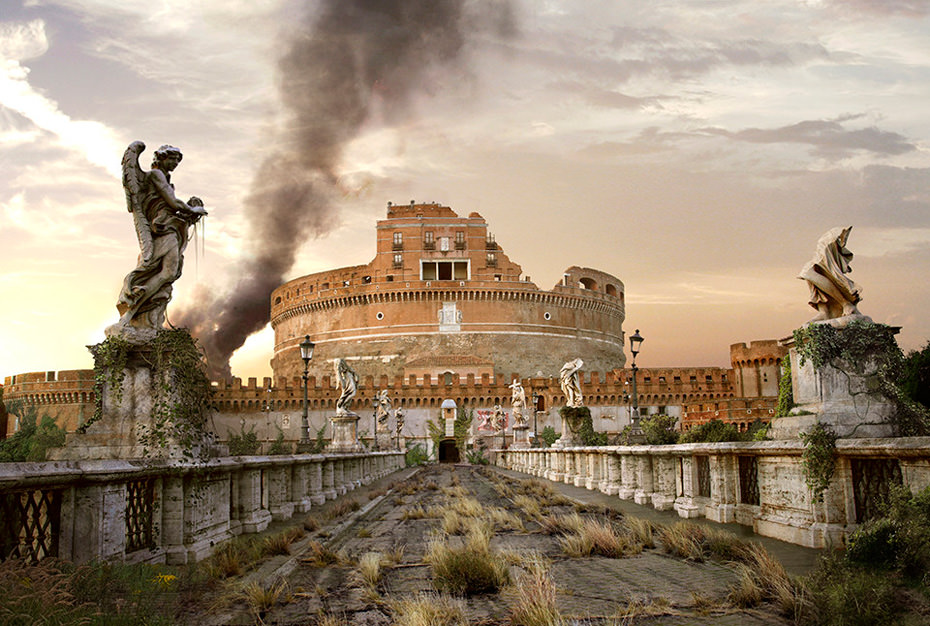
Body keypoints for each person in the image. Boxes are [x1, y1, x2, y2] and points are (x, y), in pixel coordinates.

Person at [114, 142, 207, 332]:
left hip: (169, 228)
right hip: (163, 230)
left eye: (177, 161)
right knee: (167, 273)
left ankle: (149, 320)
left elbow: (171, 207)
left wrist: (188, 214)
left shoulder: (164, 178)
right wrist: (193, 209)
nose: (175, 164)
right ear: (162, 158)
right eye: (172, 159)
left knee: (167, 275)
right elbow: (172, 202)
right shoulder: (155, 175)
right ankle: (129, 316)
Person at [798, 226, 865, 322]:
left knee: (808, 272)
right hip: (825, 246)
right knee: (808, 271)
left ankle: (845, 303)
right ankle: (824, 311)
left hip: (828, 246)